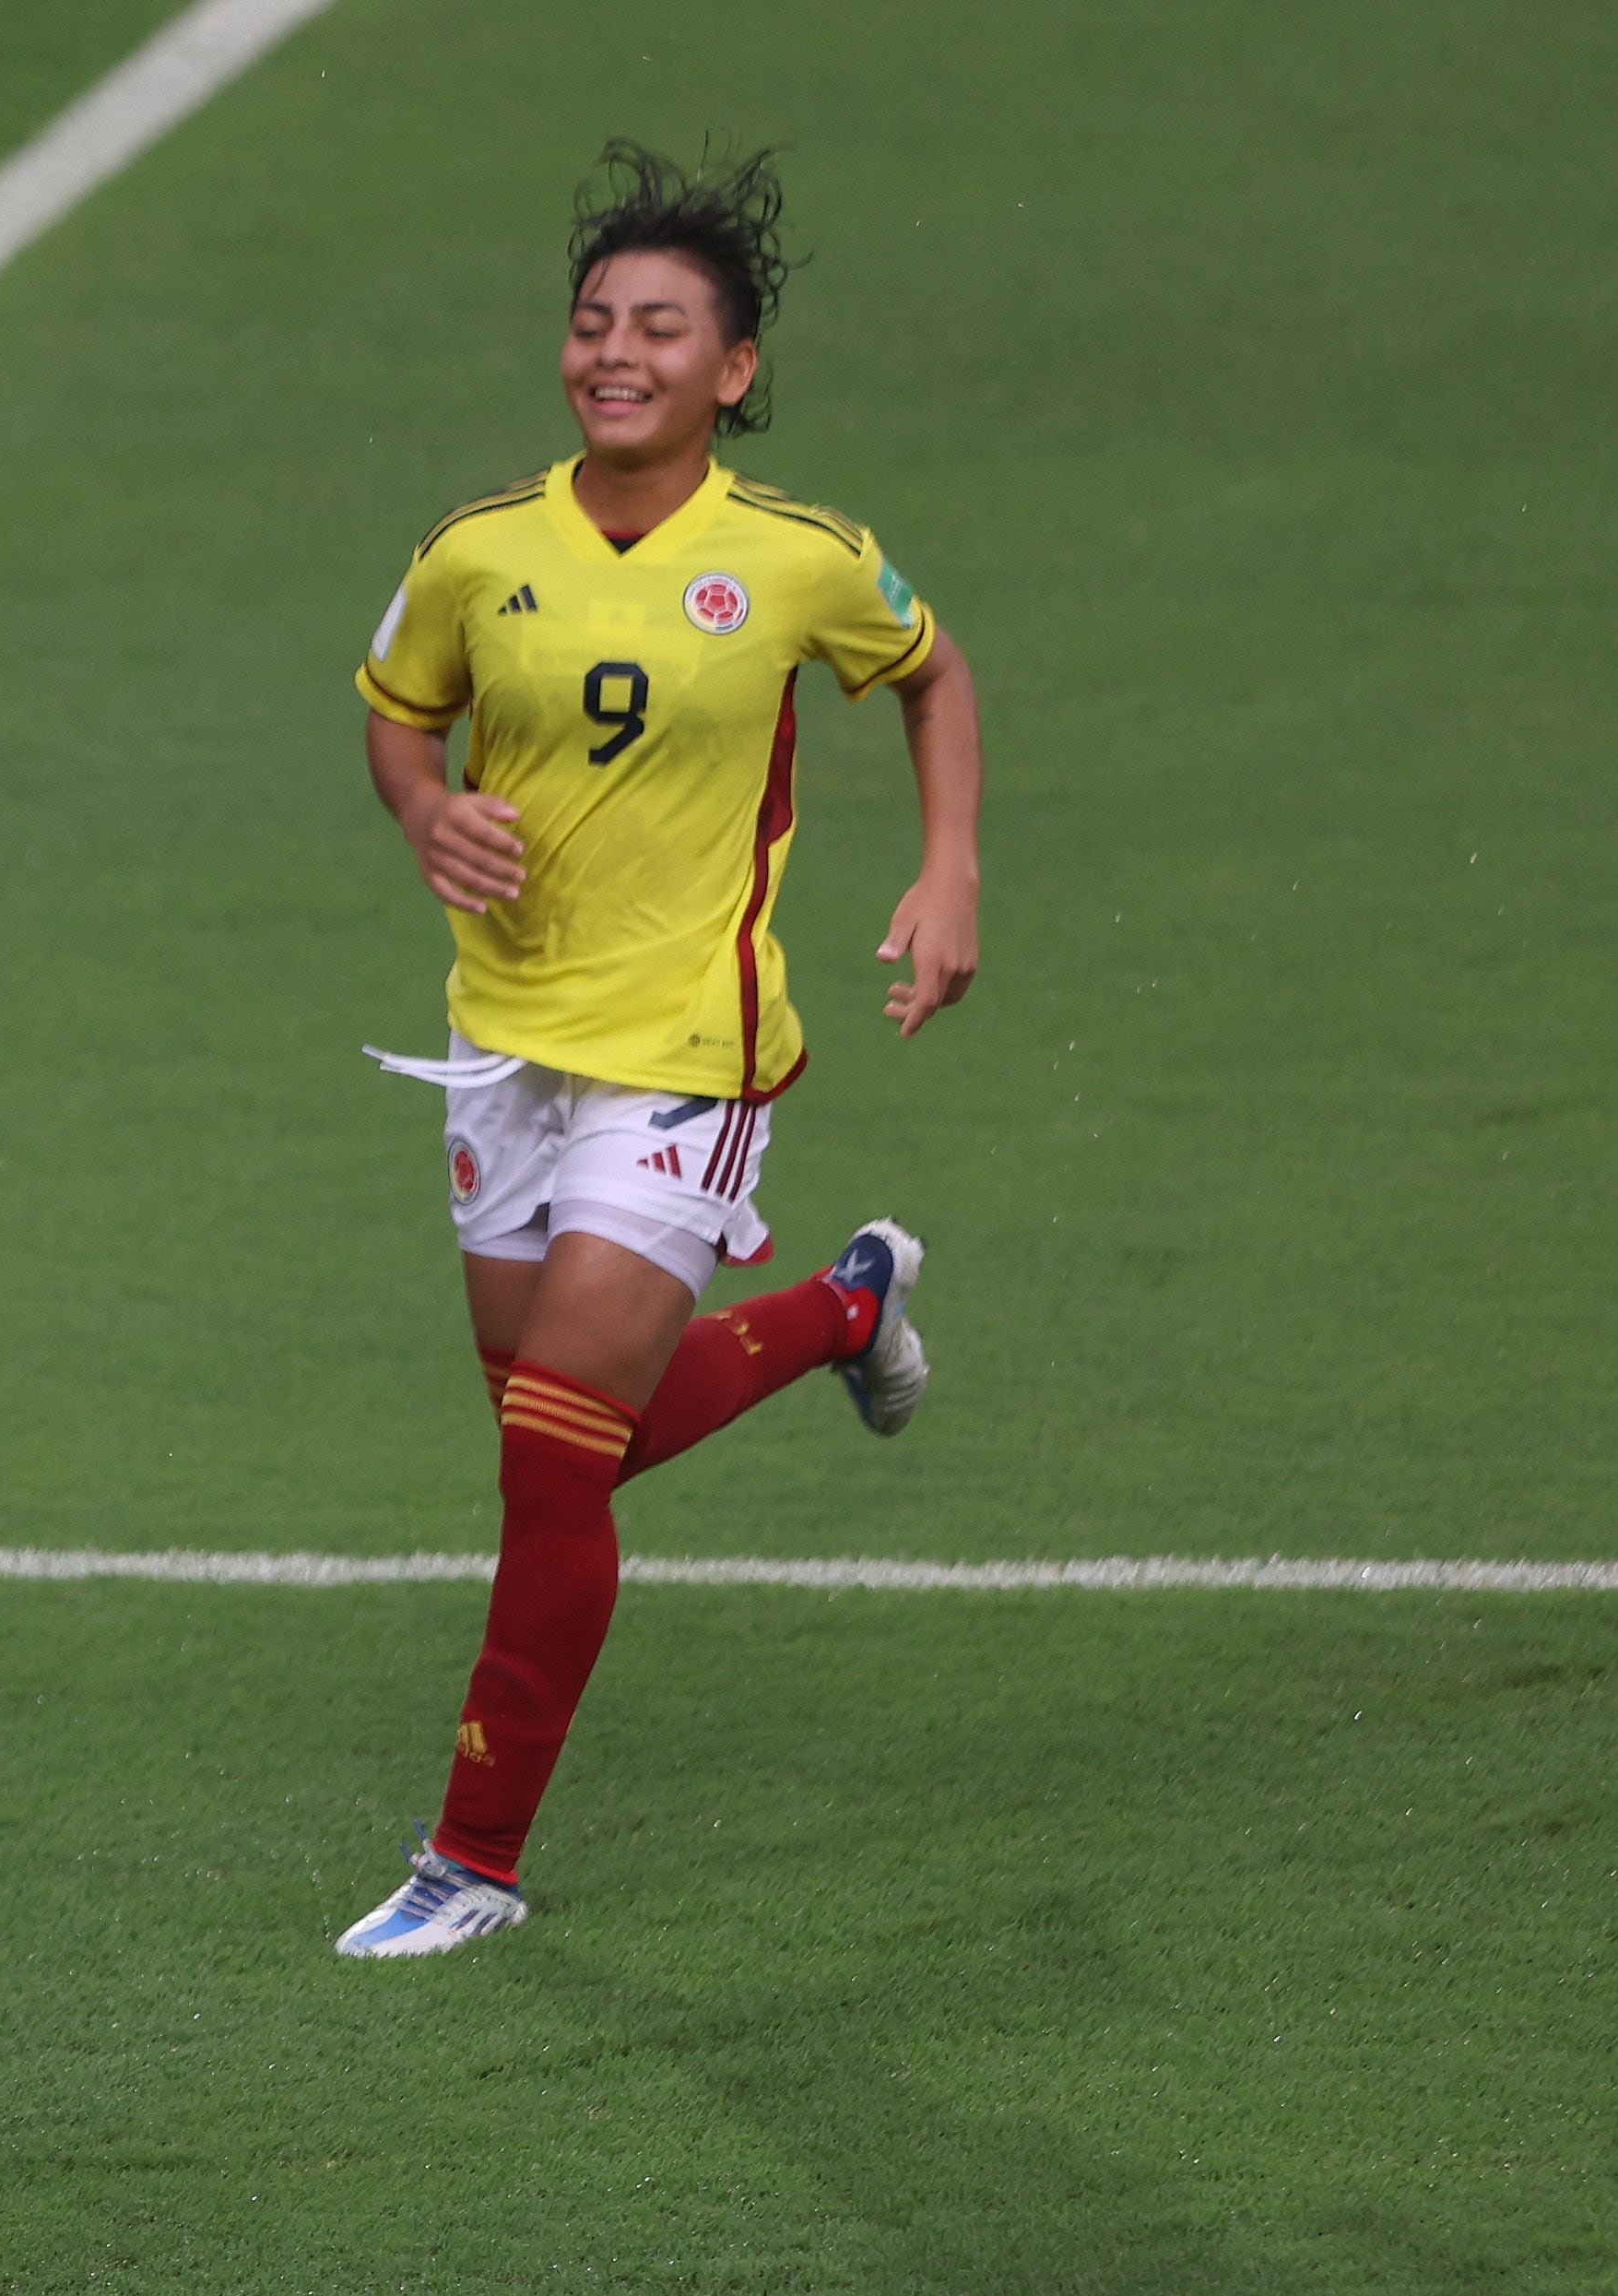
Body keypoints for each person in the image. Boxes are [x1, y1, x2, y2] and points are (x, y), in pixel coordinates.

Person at [337, 143, 984, 1958]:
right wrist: (420, 818)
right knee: (571, 1436)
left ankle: (469, 1860)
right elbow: (396, 718)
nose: (612, 351)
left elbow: (929, 674)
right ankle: (844, 1312)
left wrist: (947, 870)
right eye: (590, 321)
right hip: (499, 1051)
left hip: (685, 1056)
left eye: (658, 328)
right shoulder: (476, 549)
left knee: (548, 1462)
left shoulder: (795, 561)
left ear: (733, 371)